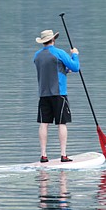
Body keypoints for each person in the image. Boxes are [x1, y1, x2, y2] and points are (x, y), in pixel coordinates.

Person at [34, 29, 80, 163]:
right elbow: (76, 67)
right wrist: (75, 55)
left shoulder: (37, 56)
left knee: (44, 124)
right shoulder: (59, 53)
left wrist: (64, 70)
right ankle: (63, 154)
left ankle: (43, 155)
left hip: (43, 94)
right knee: (62, 123)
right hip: (59, 94)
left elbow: (49, 69)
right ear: (53, 39)